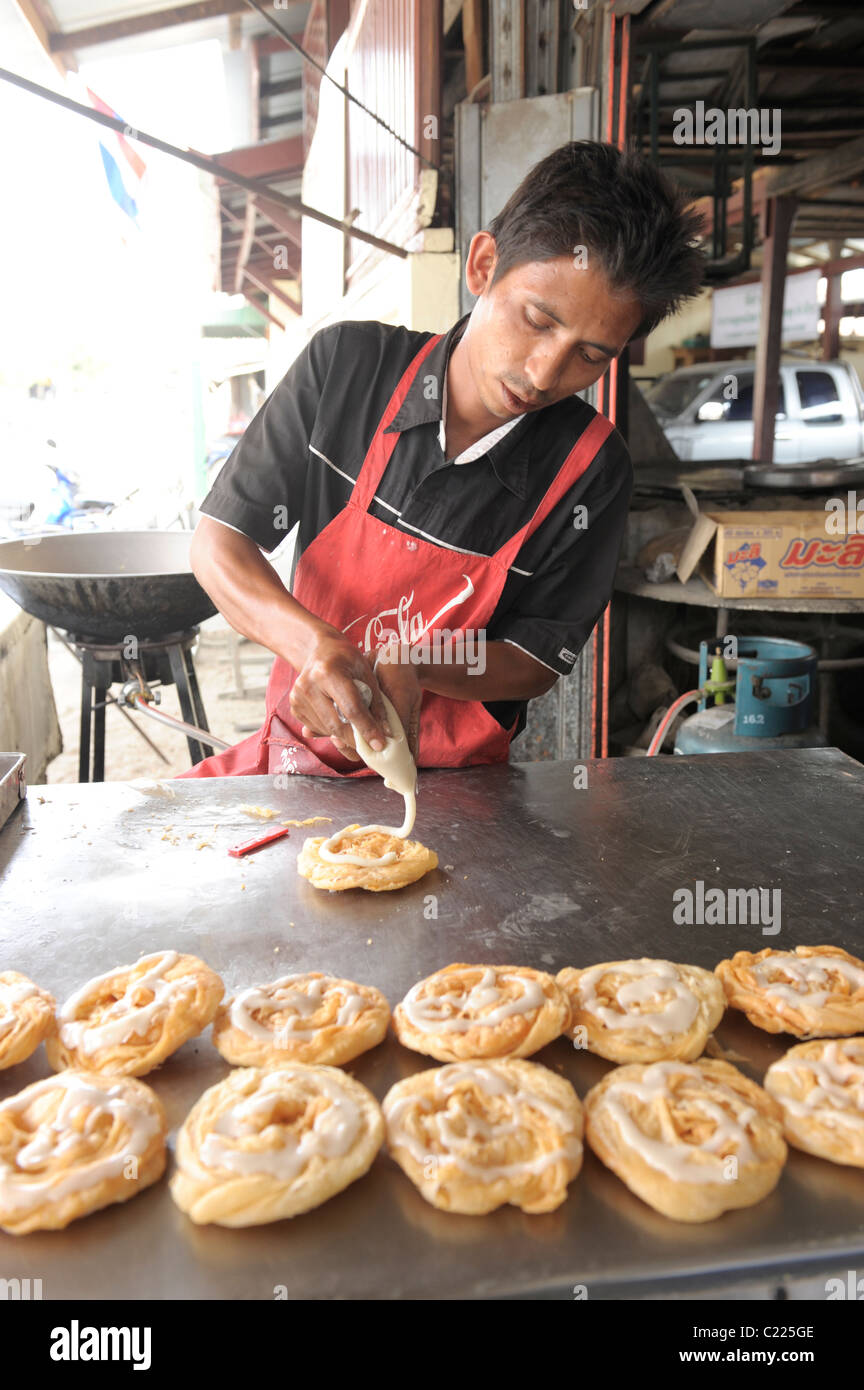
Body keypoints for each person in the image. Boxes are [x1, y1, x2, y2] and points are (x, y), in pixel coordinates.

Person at [183, 140, 704, 780]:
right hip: (294, 764)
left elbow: (535, 657)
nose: (544, 374)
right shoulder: (345, 371)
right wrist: (314, 647)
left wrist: (415, 665)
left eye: (591, 356)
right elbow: (220, 545)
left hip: (462, 794)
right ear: (483, 266)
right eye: (537, 319)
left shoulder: (591, 470)